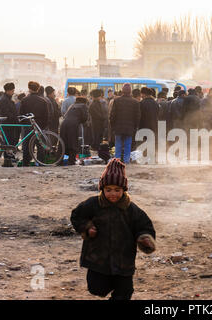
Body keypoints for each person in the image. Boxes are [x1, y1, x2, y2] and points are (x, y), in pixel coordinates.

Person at [70, 158, 156, 300]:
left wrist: (144, 238)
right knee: (96, 288)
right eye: (108, 190)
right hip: (98, 259)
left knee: (124, 292)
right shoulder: (93, 204)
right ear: (102, 189)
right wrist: (87, 228)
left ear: (124, 190)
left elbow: (144, 226)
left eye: (117, 190)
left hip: (124, 260)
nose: (113, 194)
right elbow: (77, 216)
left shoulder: (131, 209)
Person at [19, 81, 49, 166]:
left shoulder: (24, 100)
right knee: (40, 146)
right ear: (38, 89)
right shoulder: (43, 101)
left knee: (27, 146)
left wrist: (25, 124)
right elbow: (46, 116)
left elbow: (21, 114)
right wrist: (43, 127)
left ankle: (26, 163)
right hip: (39, 126)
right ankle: (40, 163)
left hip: (28, 126)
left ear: (29, 89)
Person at [110, 84, 140, 164]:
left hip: (118, 127)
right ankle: (126, 161)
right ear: (130, 91)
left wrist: (112, 126)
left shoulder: (116, 100)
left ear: (122, 90)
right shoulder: (135, 102)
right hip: (130, 128)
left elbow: (112, 115)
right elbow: (137, 116)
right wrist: (135, 127)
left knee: (118, 145)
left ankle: (117, 161)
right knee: (127, 145)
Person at [60, 96, 89, 165]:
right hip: (73, 125)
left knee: (63, 142)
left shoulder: (72, 105)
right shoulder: (83, 106)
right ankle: (71, 161)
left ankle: (60, 160)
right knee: (73, 142)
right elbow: (85, 117)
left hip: (64, 123)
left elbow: (65, 115)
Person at [0, 82, 20, 167]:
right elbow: (6, 113)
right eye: (12, 90)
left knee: (10, 141)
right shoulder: (4, 100)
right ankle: (7, 160)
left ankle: (10, 157)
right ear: (8, 91)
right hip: (7, 124)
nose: (13, 92)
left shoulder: (8, 99)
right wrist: (14, 117)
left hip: (11, 123)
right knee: (7, 142)